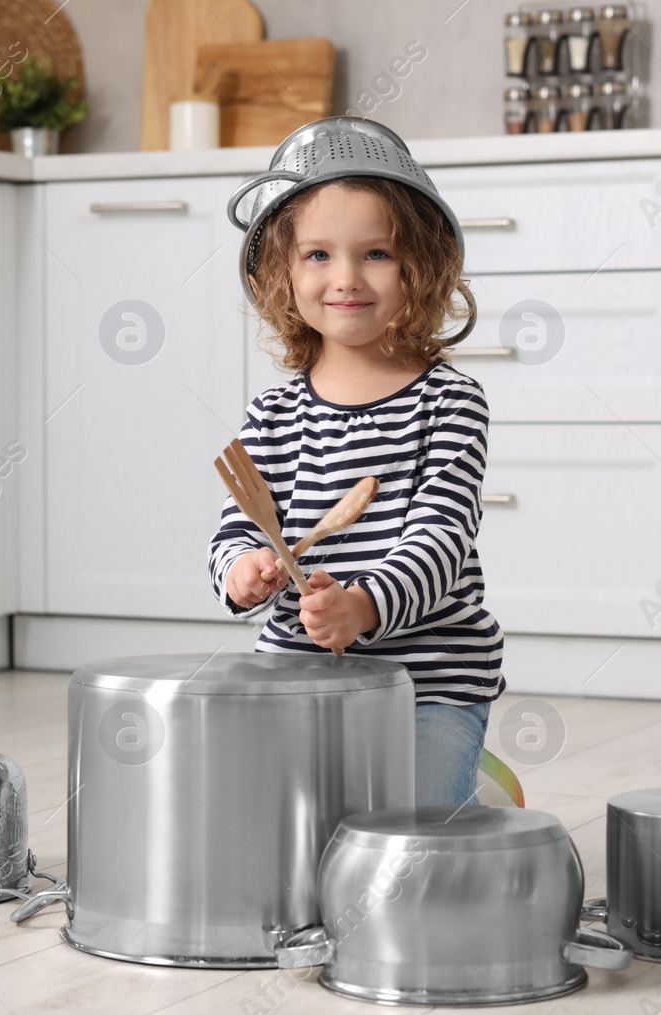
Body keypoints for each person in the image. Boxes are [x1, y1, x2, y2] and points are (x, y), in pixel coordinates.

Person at [207, 119, 506, 807]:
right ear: (281, 272)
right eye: (317, 255)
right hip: (298, 680)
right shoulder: (274, 414)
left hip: (426, 684)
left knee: (408, 840)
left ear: (419, 266)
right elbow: (235, 532)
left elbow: (441, 540)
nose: (345, 278)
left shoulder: (450, 401)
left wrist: (362, 606)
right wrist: (243, 570)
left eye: (375, 253)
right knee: (263, 828)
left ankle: (462, 784)